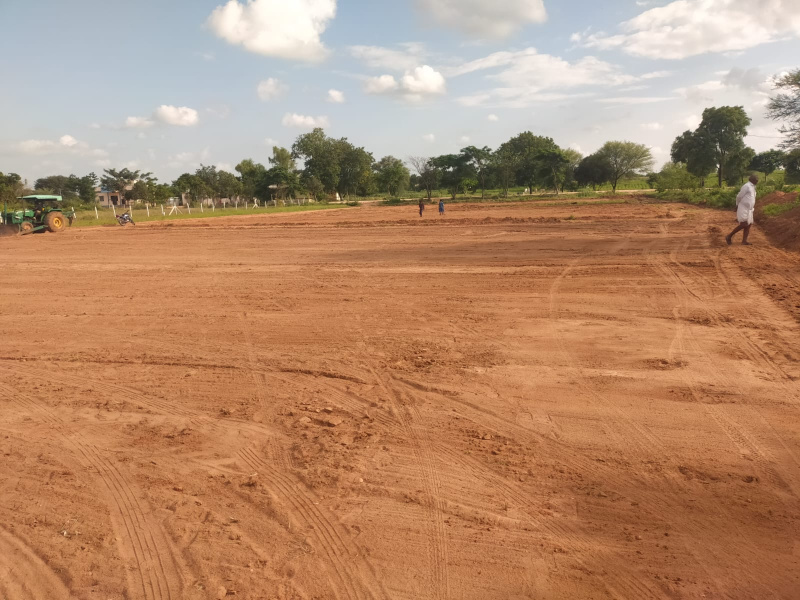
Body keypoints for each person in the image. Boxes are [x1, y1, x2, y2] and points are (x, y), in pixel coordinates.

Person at [726, 174, 759, 246]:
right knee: (744, 224)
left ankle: (744, 241)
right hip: (743, 207)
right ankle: (729, 236)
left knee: (749, 225)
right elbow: (739, 196)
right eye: (756, 179)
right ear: (751, 180)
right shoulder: (746, 186)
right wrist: (737, 205)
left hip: (750, 209)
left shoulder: (753, 187)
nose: (757, 181)